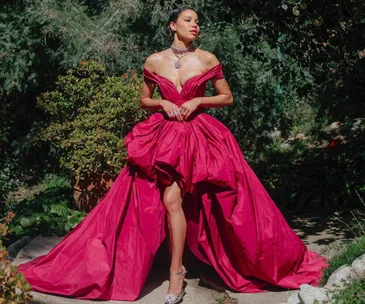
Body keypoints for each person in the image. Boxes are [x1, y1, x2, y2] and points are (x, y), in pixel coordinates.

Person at [18, 7, 327, 304]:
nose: (195, 25)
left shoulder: (207, 59)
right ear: (172, 25)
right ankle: (175, 271)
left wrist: (199, 101)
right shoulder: (153, 61)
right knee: (166, 201)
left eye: (197, 22)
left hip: (199, 137)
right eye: (188, 20)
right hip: (165, 139)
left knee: (217, 202)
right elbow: (144, 99)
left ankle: (184, 269)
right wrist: (162, 104)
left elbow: (227, 97)